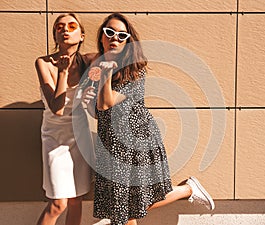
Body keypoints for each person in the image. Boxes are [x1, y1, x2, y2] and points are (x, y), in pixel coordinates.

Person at [84, 12, 215, 225]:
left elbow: (105, 103)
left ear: (128, 41)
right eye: (109, 32)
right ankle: (187, 188)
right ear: (101, 37)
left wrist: (105, 71)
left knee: (126, 207)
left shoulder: (133, 70)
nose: (114, 38)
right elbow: (97, 112)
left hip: (133, 142)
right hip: (109, 142)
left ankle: (187, 189)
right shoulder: (96, 68)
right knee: (123, 209)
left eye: (121, 35)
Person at [35, 13, 97, 225]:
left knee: (75, 200)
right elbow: (57, 109)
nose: (65, 30)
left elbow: (118, 54)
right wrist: (62, 72)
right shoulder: (43, 63)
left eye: (72, 26)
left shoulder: (88, 60)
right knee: (58, 203)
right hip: (54, 138)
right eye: (59, 27)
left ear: (81, 35)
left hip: (80, 137)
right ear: (55, 35)